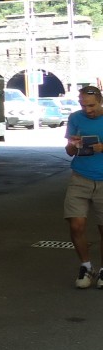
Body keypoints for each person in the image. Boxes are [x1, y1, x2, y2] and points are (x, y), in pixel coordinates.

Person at [64, 84, 103, 288]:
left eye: (91, 105)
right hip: (80, 178)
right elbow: (69, 151)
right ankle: (86, 267)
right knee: (76, 225)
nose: (87, 110)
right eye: (83, 105)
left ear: (100, 101)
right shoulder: (75, 118)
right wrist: (73, 144)